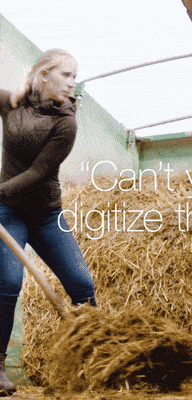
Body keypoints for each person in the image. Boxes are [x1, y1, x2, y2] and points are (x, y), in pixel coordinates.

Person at [0, 49, 97, 396]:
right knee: (8, 283)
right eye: (66, 75)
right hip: (9, 214)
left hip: (46, 215)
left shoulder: (66, 122)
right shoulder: (10, 103)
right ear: (42, 74)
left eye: (74, 77)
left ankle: (96, 362)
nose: (72, 83)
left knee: (82, 285)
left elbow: (39, 172)